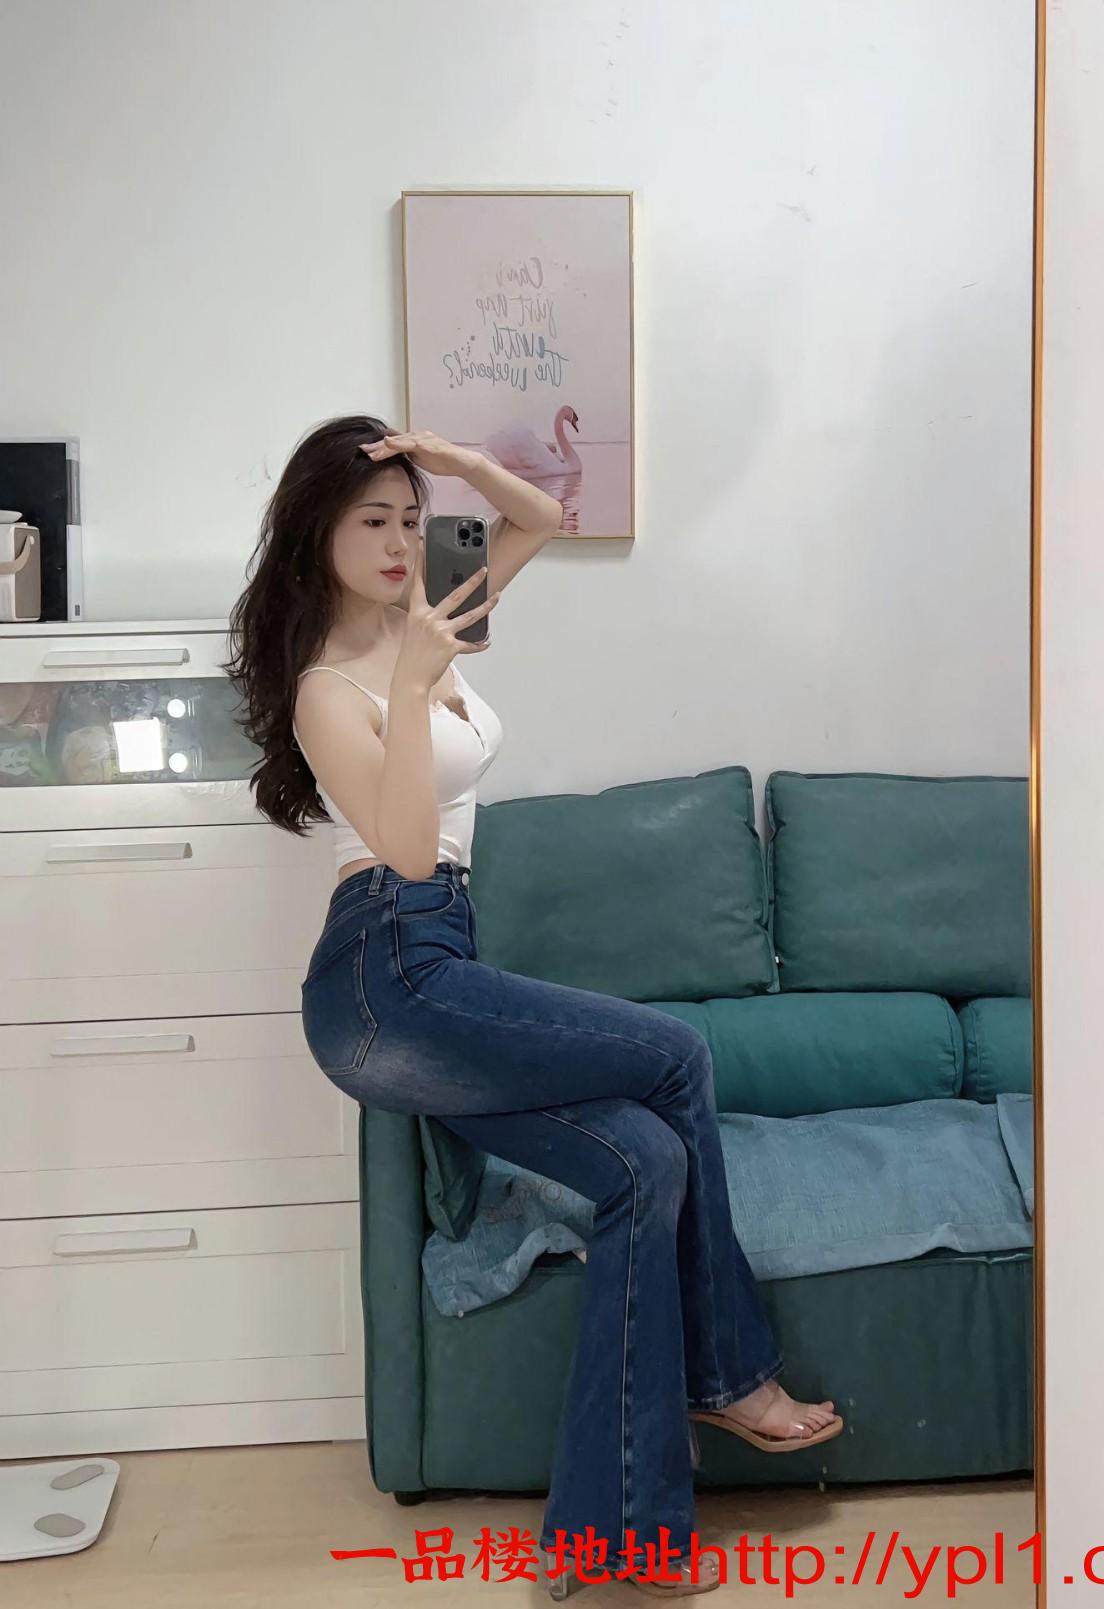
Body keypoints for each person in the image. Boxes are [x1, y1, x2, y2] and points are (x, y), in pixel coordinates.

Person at [225, 414, 842, 1599]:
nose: (401, 541)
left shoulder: (430, 616)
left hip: (438, 962)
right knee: (676, 1053)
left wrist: (455, 466)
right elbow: (408, 852)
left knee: (645, 1161)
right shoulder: (328, 689)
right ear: (316, 535)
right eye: (374, 520)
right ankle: (729, 1373)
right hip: (385, 976)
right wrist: (412, 688)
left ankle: (615, 1542)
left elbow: (544, 516)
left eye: (411, 520)